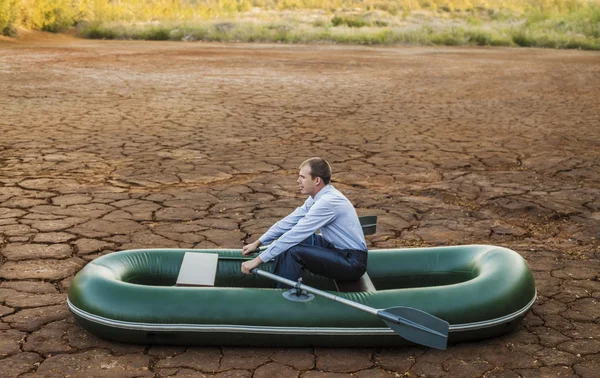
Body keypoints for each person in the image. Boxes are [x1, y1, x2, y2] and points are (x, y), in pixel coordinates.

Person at [240, 157, 368, 288]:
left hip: (352, 261)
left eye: (302, 177)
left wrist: (257, 261)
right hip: (335, 248)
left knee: (293, 249)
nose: (298, 181)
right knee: (290, 241)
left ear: (317, 180)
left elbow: (295, 234)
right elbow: (289, 221)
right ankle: (278, 284)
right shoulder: (317, 197)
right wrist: (258, 242)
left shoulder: (328, 202)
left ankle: (283, 294)